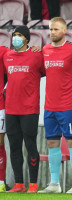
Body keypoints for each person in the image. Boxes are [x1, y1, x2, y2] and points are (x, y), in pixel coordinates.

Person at [38, 17, 72, 194]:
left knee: (71, 141)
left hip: (69, 106)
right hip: (49, 106)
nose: (52, 32)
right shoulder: (45, 50)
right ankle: (54, 184)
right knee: (51, 143)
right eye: (50, 29)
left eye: (56, 29)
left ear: (65, 31)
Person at [4, 26, 45, 193]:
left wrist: (40, 49)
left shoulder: (37, 56)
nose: (16, 38)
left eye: (20, 35)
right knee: (14, 147)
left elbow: (47, 71)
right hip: (11, 110)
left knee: (30, 145)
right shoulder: (7, 56)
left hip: (29, 109)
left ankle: (33, 184)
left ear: (27, 39)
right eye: (14, 35)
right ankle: (19, 184)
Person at [0, 45, 9, 193]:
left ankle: (1, 181)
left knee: (0, 144)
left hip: (0, 106)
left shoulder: (4, 51)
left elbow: (13, 72)